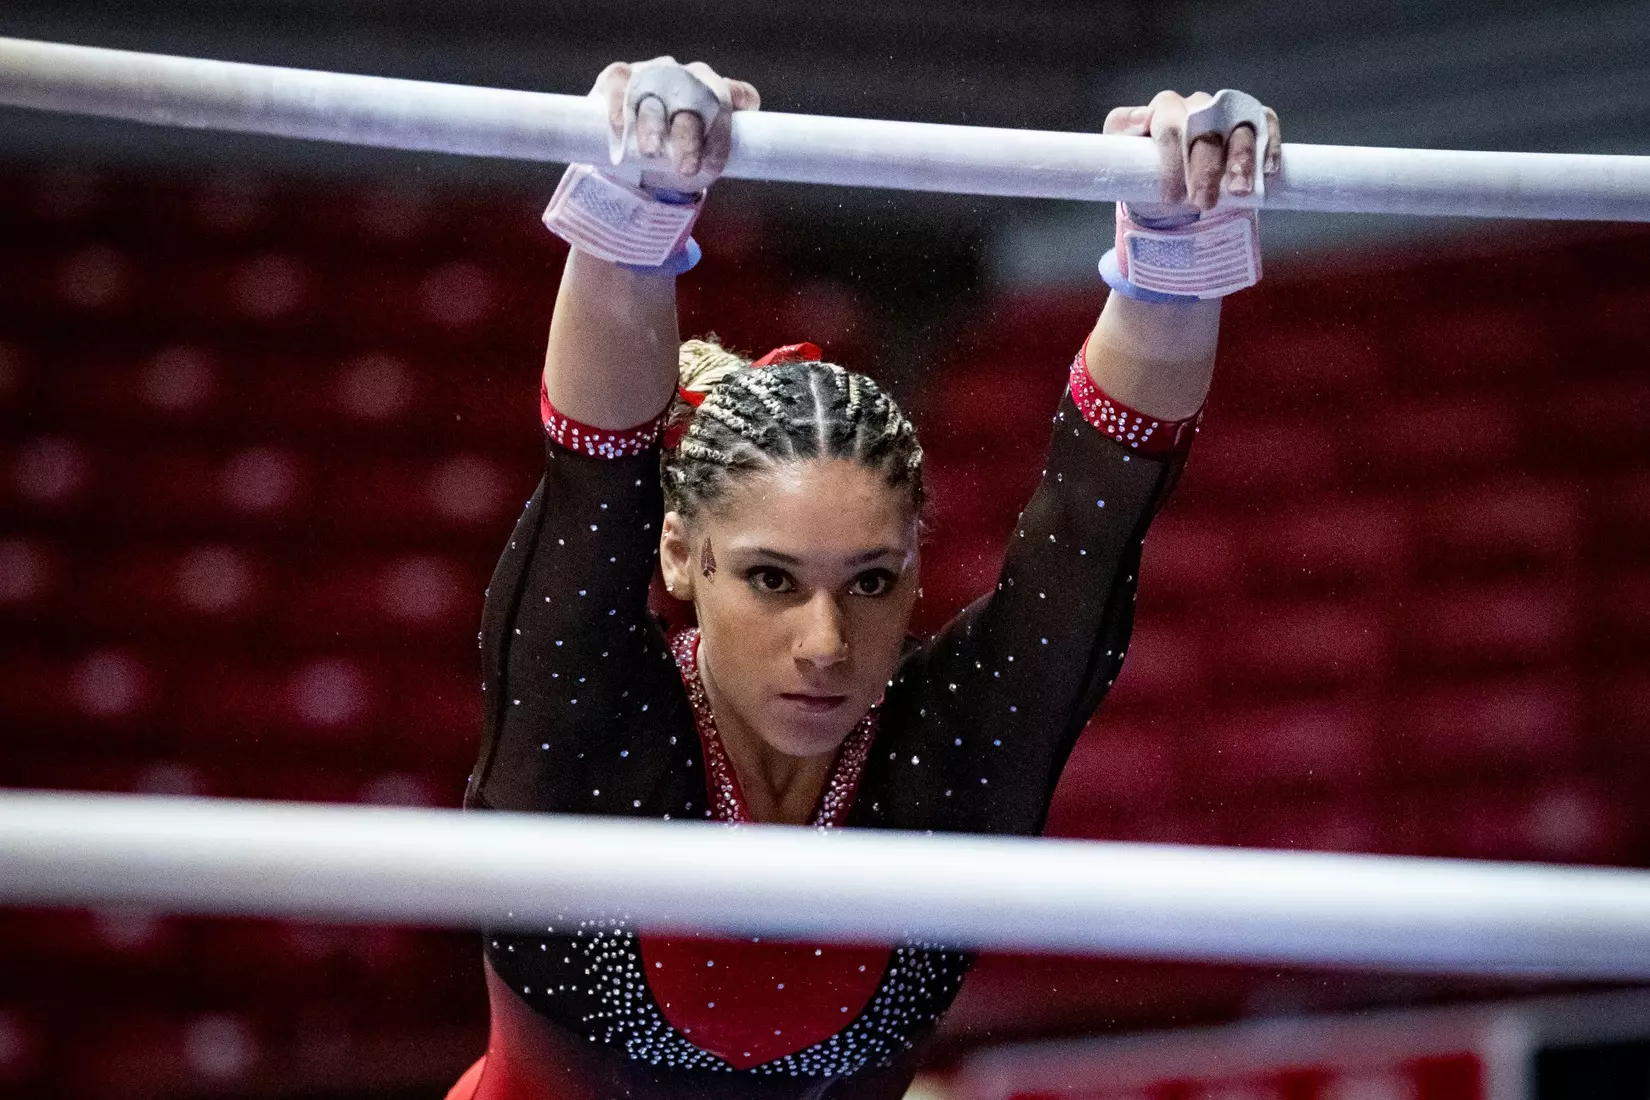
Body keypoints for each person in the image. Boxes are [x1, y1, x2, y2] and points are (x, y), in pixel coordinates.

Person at [451, 56, 1280, 1100]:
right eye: (772, 578)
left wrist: (1180, 239)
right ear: (678, 554)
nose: (827, 643)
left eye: (872, 584)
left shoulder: (950, 757)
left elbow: (1095, 518)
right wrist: (637, 201)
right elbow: (595, 474)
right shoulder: (592, 723)